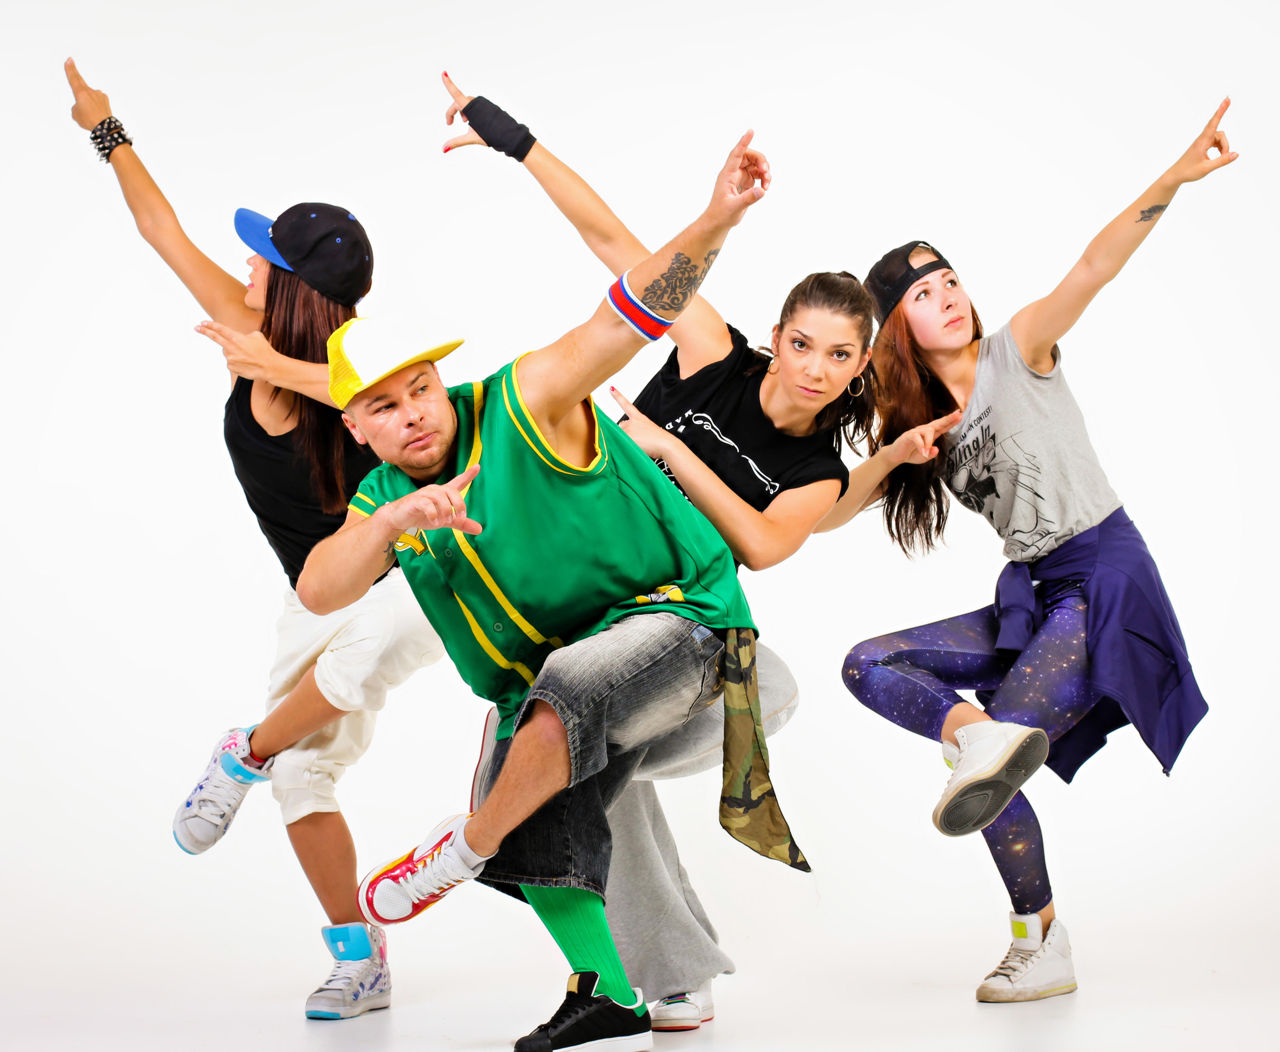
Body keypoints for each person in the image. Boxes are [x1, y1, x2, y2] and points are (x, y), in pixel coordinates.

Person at [439, 74, 959, 1031]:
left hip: (714, 669)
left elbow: (762, 543)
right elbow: (614, 243)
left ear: (859, 368)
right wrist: (515, 140)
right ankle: (675, 978)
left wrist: (666, 447)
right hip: (607, 627)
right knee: (585, 765)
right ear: (778, 337)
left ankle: (488, 856)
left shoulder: (813, 470)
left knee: (580, 745)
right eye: (802, 344)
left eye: (839, 356)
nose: (814, 369)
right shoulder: (712, 351)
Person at [295, 135, 791, 1052]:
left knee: (554, 716)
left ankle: (464, 849)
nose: (413, 414)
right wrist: (392, 524)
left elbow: (629, 314)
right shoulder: (385, 501)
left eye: (420, 389)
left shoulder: (524, 400)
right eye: (384, 408)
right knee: (538, 768)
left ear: (442, 381)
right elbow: (321, 588)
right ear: (356, 428)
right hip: (567, 702)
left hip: (697, 643)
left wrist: (716, 220)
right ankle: (617, 989)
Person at [64, 58, 445, 1020]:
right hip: (311, 590)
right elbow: (161, 229)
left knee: (351, 667)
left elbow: (380, 403)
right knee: (306, 776)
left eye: (262, 257)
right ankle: (360, 958)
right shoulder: (244, 328)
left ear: (294, 286)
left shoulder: (368, 366)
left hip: (409, 578)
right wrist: (104, 127)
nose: (245, 267)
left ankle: (241, 752)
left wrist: (273, 362)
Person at [842, 101, 1231, 1002]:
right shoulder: (918, 427)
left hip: (1103, 572)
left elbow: (1094, 265)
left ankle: (1037, 940)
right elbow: (827, 507)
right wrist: (891, 457)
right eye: (923, 295)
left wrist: (1173, 177)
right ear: (897, 330)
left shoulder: (1018, 349)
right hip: (1035, 591)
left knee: (993, 758)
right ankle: (1042, 932)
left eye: (949, 281)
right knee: (870, 665)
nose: (947, 296)